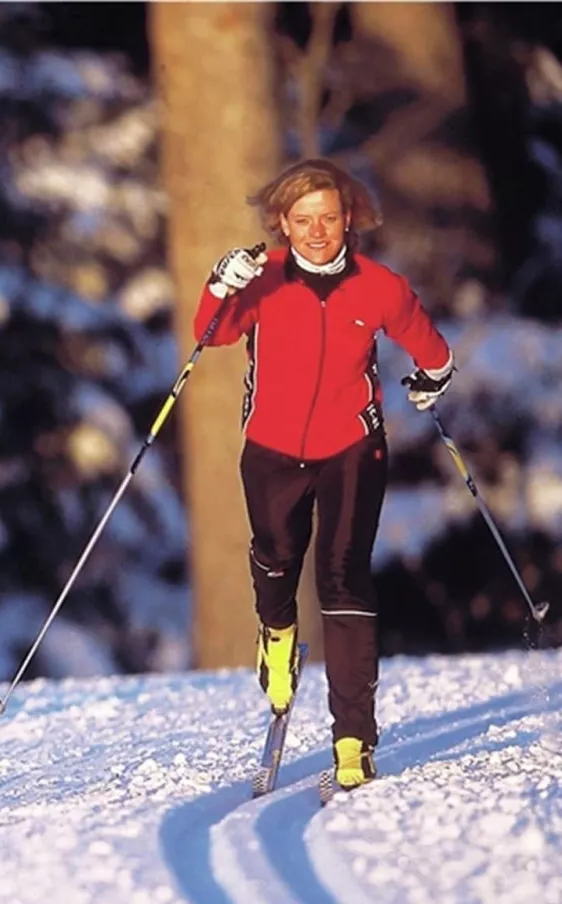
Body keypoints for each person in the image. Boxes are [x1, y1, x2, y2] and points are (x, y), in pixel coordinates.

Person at [193, 157, 455, 793]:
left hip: (352, 448)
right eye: (304, 219)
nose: (317, 231)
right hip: (272, 449)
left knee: (344, 580)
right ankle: (276, 634)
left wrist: (432, 379)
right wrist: (219, 283)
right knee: (277, 559)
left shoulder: (379, 286)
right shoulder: (263, 280)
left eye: (329, 218)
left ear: (349, 219)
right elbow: (212, 333)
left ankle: (353, 739)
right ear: (282, 222)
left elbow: (434, 351)